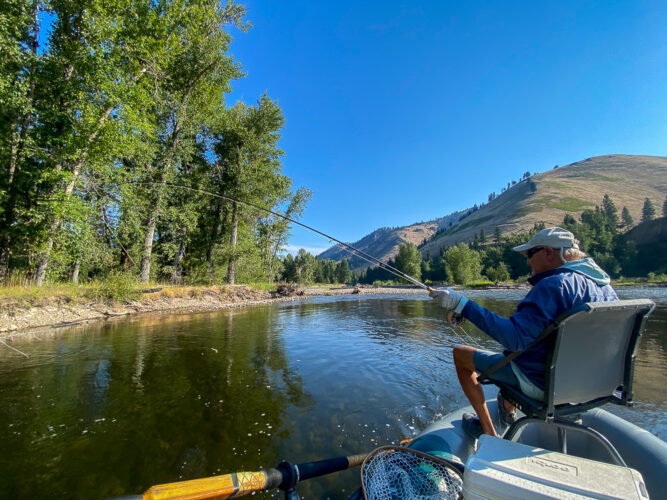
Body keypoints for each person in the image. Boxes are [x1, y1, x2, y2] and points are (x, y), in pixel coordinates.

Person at [429, 227, 618, 439]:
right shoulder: (607, 290)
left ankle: (488, 431)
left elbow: (515, 340)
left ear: (548, 252)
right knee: (517, 358)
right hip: (592, 385)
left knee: (461, 353)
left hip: (545, 385)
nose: (528, 262)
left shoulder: (554, 285)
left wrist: (462, 304)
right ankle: (508, 410)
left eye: (530, 254)